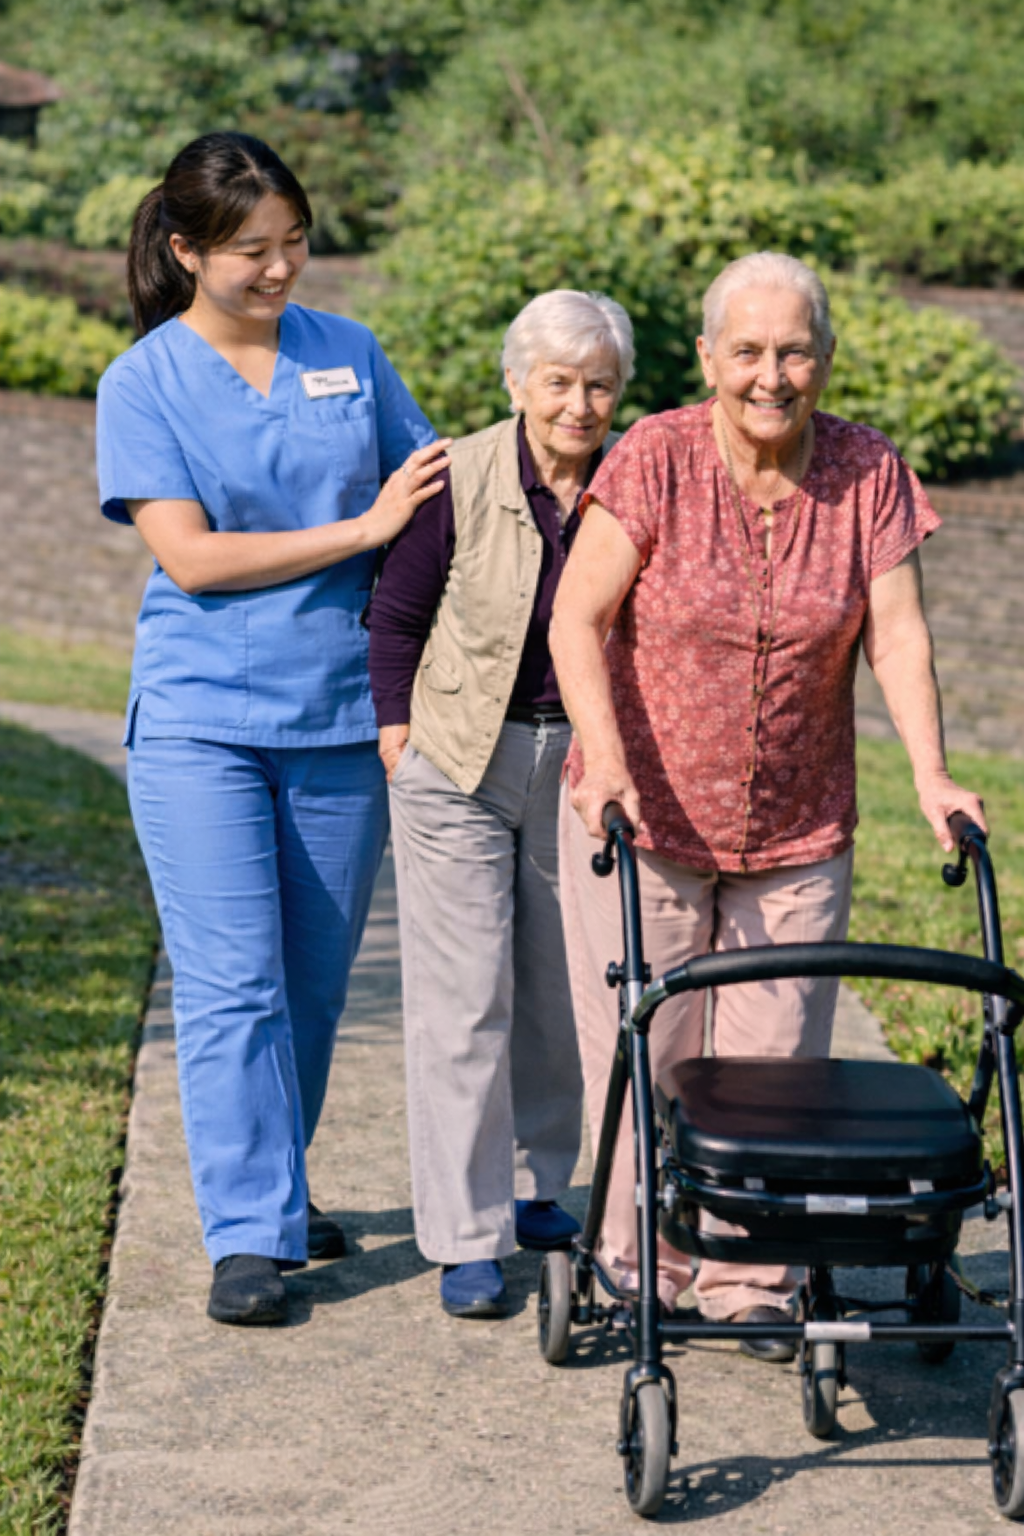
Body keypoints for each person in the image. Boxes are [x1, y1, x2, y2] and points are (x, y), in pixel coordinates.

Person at [549, 251, 986, 1361]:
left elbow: (895, 634)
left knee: (774, 1072)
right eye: (746, 350)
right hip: (639, 822)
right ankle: (641, 1261)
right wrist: (602, 762)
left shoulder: (866, 471)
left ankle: (751, 1280)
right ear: (707, 359)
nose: (770, 375)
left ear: (825, 359)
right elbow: (575, 616)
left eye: (793, 350)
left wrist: (930, 775)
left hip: (796, 828)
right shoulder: (652, 457)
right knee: (645, 1058)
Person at [96, 131, 448, 1326]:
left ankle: (278, 1194)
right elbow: (190, 560)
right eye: (254, 250)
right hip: (203, 723)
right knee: (231, 983)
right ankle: (247, 1234)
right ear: (188, 250)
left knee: (306, 986)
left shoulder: (349, 353)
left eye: (296, 242)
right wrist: (359, 531)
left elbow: (435, 498)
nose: (283, 268)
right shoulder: (142, 382)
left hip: (342, 717)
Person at [367, 290, 633, 1317]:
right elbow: (395, 614)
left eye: (598, 383)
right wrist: (397, 737)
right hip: (457, 760)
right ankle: (466, 1235)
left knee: (558, 986)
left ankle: (536, 1186)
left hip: (577, 761)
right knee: (464, 996)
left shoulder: (632, 479)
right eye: (558, 381)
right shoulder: (460, 473)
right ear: (517, 381)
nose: (578, 403)